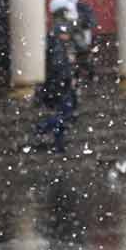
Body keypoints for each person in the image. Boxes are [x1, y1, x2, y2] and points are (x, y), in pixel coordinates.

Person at [30, 9, 78, 153]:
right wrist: (67, 80)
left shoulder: (55, 45)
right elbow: (59, 68)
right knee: (64, 115)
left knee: (63, 116)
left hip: (58, 87)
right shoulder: (58, 47)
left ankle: (58, 144)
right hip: (61, 87)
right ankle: (43, 128)